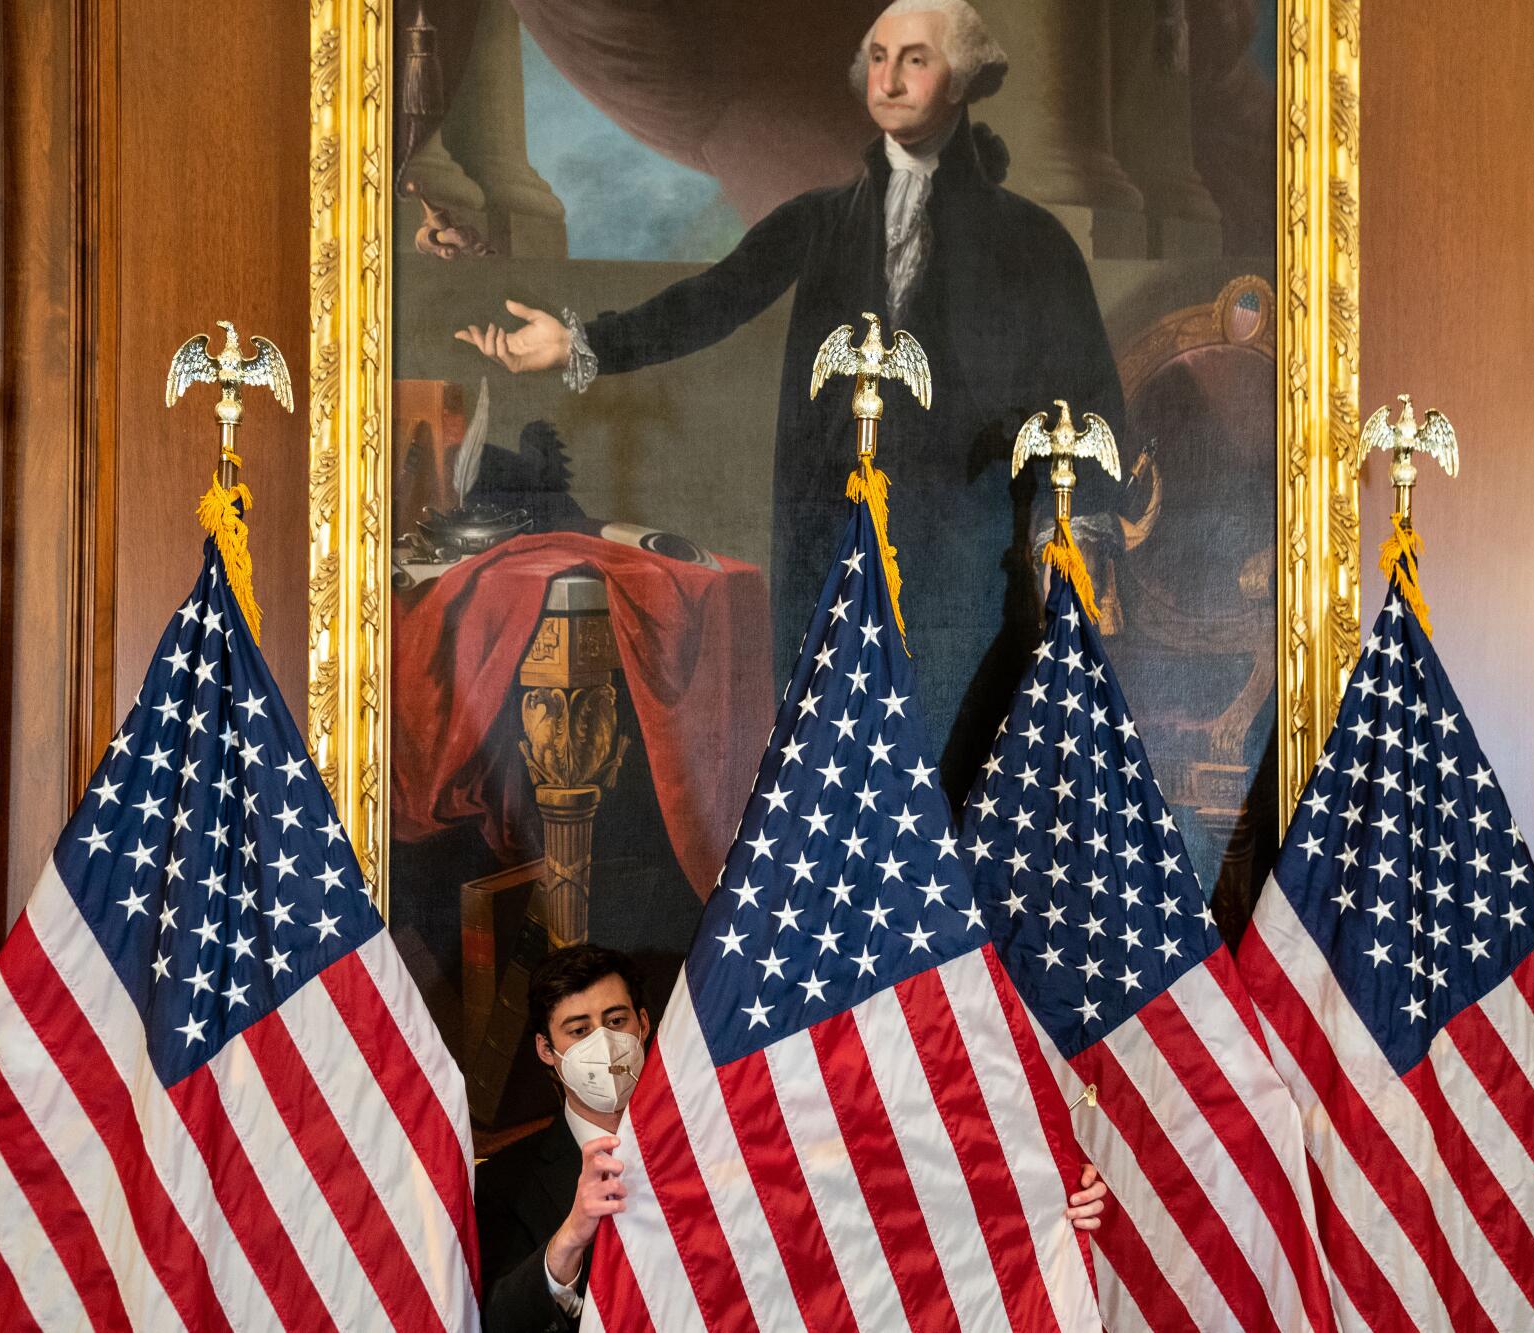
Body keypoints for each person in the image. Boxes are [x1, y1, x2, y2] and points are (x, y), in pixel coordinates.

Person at [456, 0, 1125, 808]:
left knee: (953, 793)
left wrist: (1072, 538)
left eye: (915, 59)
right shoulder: (819, 222)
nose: (890, 78)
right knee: (832, 799)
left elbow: (1083, 402)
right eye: (877, 58)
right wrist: (578, 344)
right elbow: (710, 300)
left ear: (966, 78)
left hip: (965, 578)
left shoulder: (1033, 242)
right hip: (833, 564)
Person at [476, 943, 1108, 1332]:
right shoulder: (506, 1178)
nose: (603, 1045)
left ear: (645, 1025)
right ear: (545, 1051)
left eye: (615, 1021)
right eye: (578, 1030)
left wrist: (1038, 1185)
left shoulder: (730, 1135)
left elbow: (892, 1193)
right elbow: (497, 1322)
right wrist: (573, 1234)